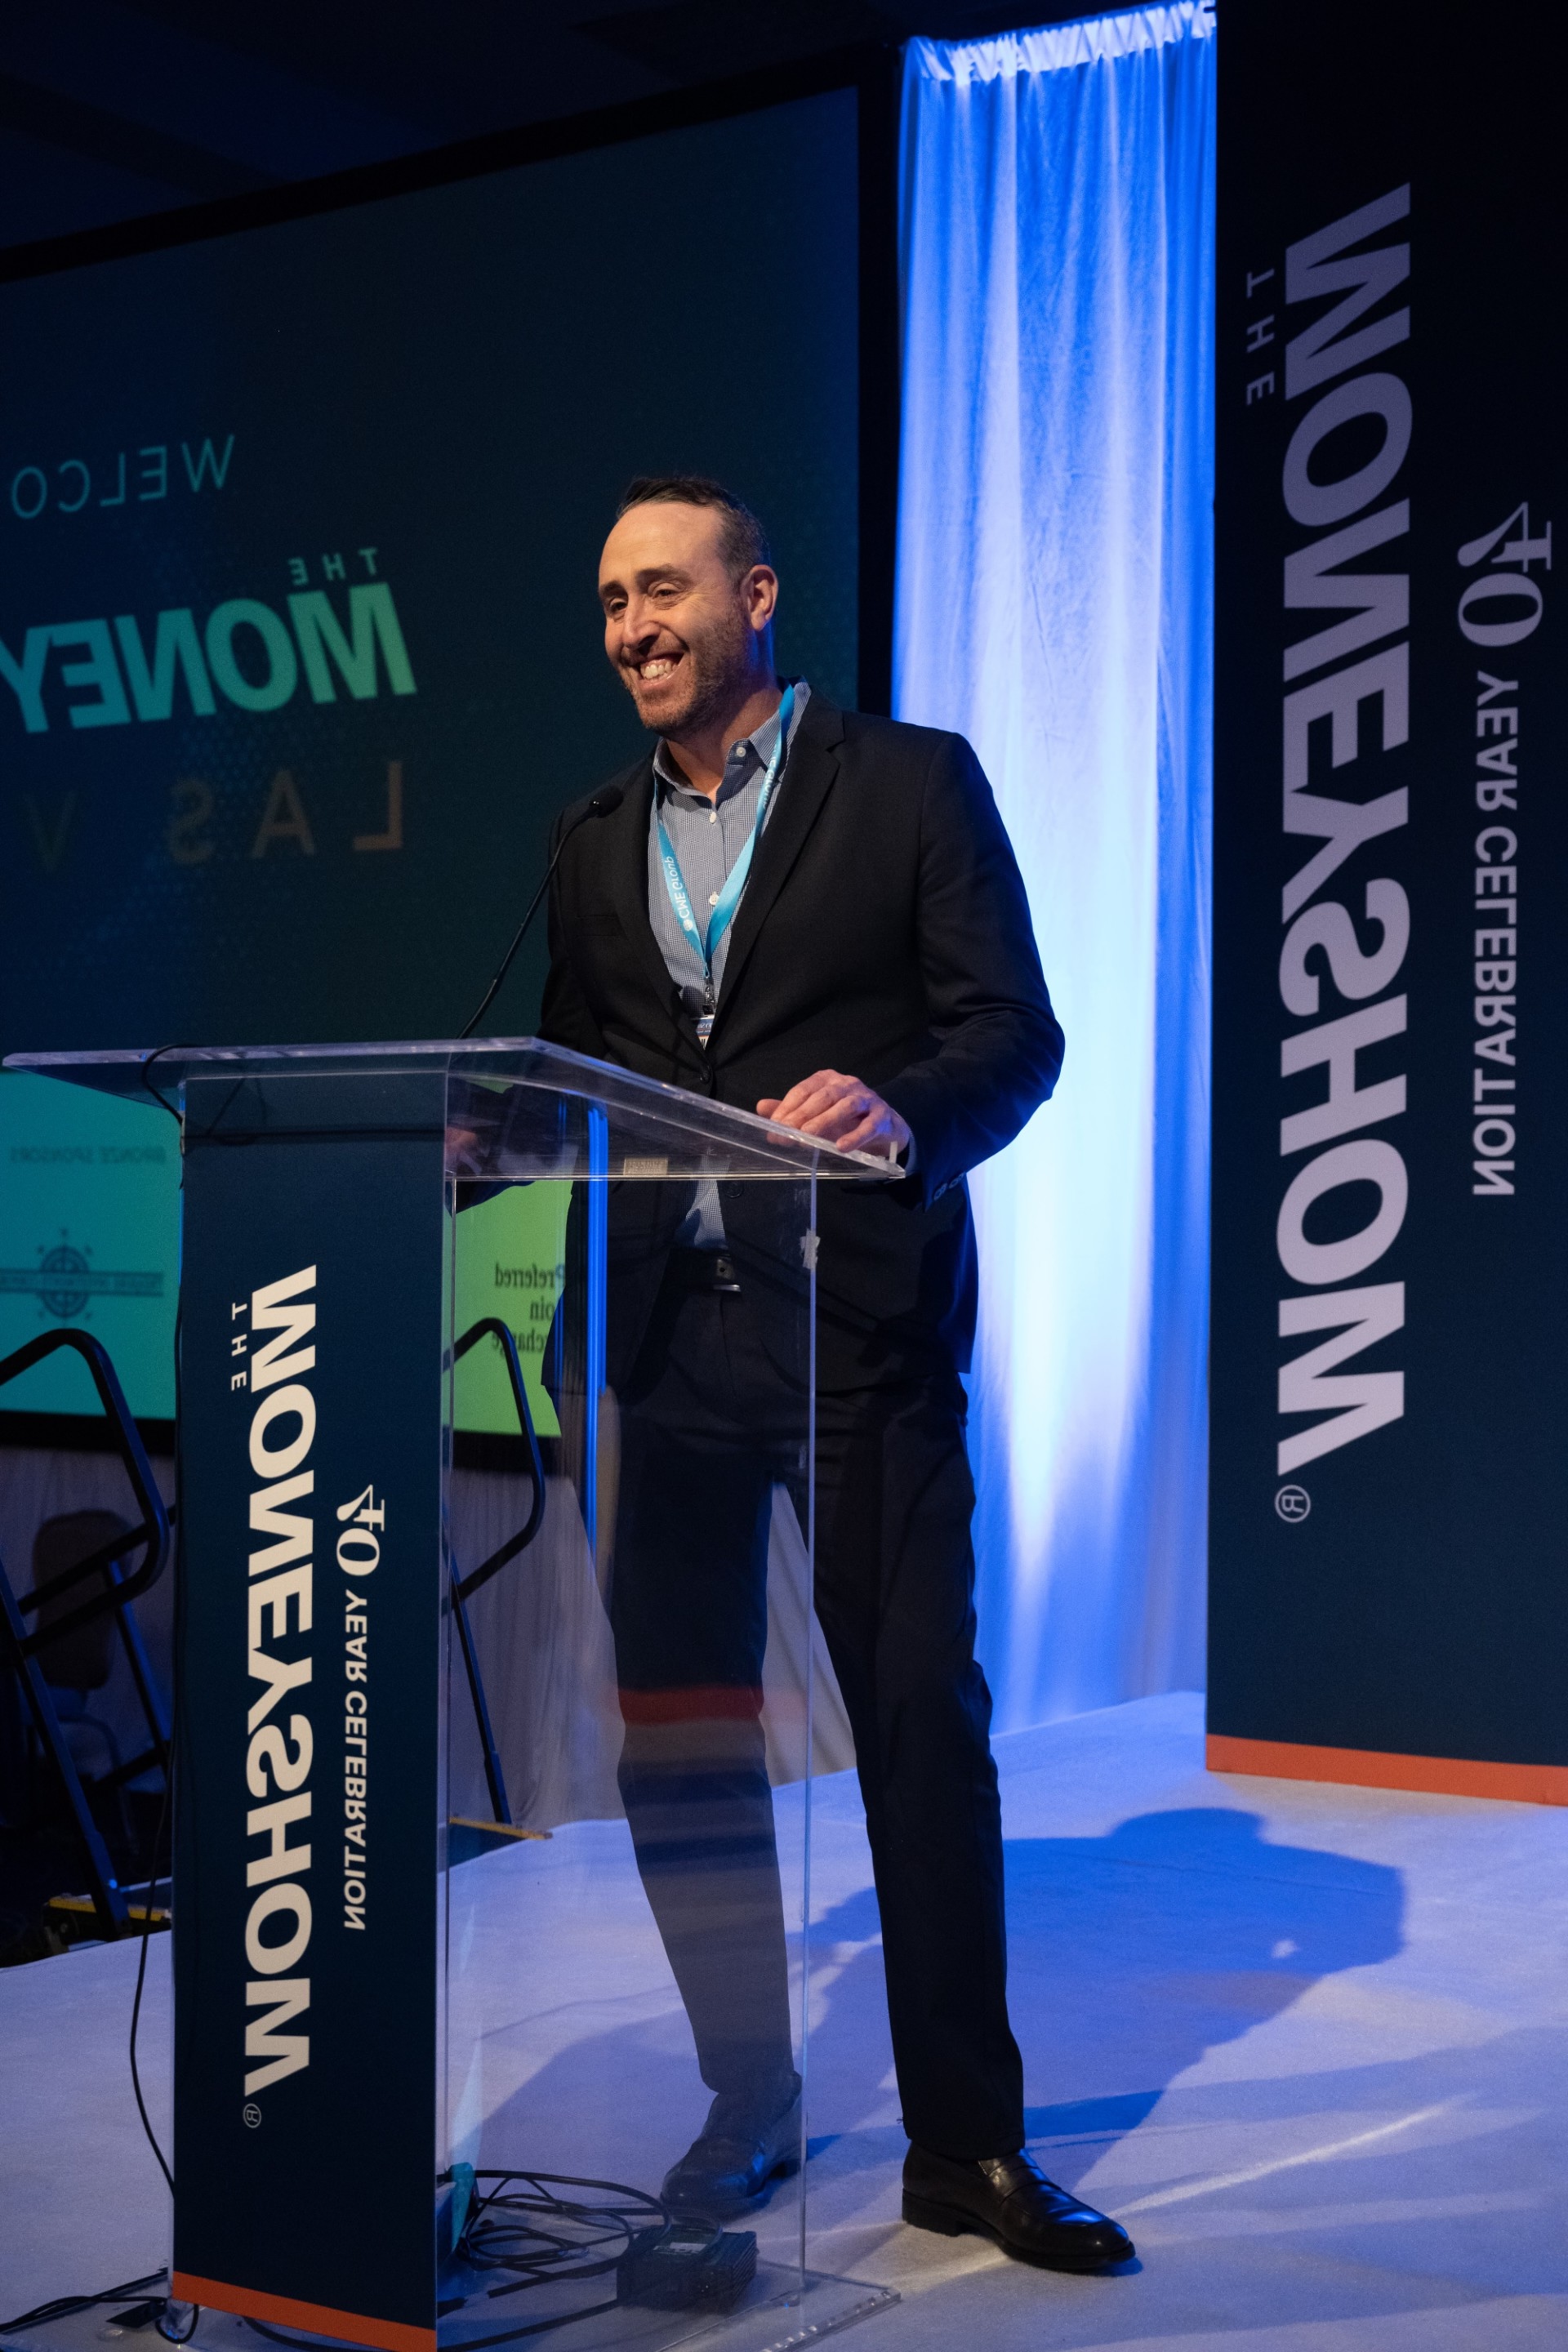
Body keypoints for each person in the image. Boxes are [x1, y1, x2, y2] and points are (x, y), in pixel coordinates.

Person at [538, 474, 1134, 2274]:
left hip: (857, 1338)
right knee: (684, 1752)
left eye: (662, 590)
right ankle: (750, 2097)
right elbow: (565, 1079)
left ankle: (966, 2143)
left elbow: (1015, 1035)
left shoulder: (912, 785)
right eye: (611, 603)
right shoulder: (590, 838)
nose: (632, 629)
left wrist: (900, 1111)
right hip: (664, 1349)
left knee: (916, 1731)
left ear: (757, 596)